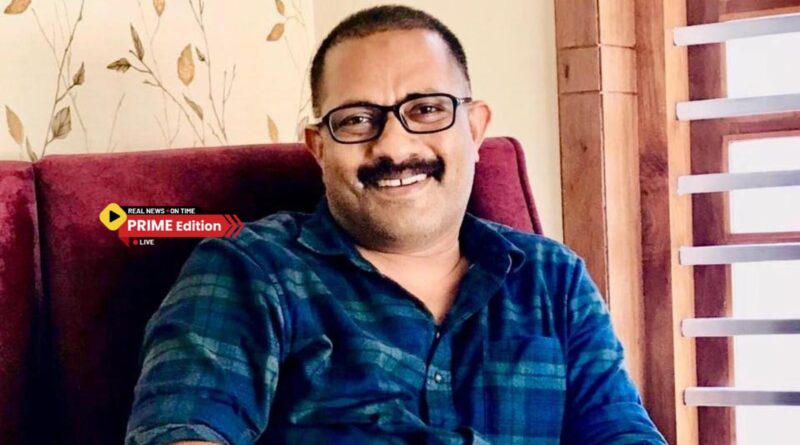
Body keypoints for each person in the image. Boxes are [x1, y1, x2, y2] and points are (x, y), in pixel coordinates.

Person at [125, 5, 667, 445]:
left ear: (475, 128)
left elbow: (621, 432)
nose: (394, 145)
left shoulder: (553, 279)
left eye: (426, 109)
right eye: (357, 120)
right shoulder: (249, 270)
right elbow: (181, 432)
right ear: (319, 148)